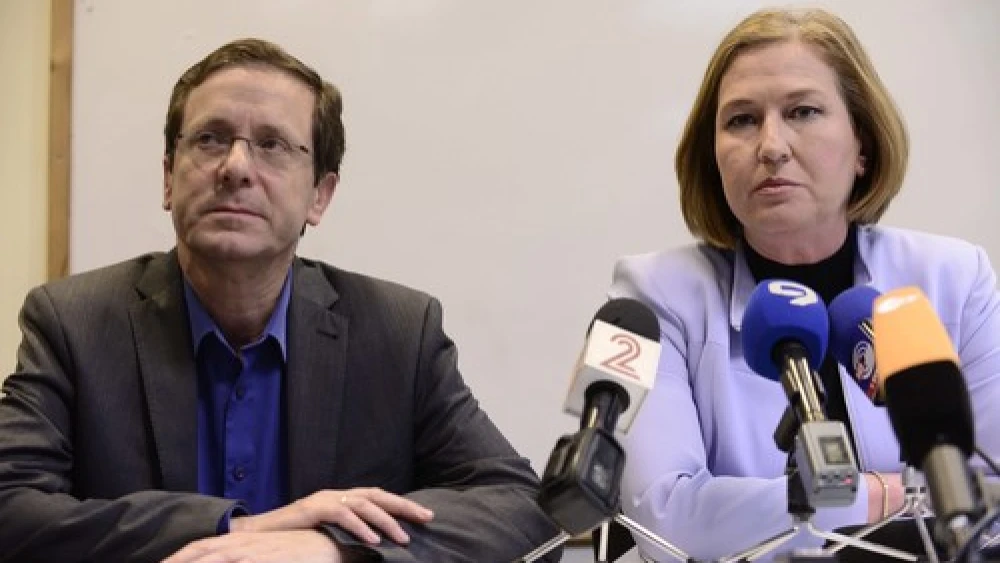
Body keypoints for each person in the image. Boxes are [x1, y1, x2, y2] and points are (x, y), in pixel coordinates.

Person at [0, 38, 560, 562]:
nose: (236, 168)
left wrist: (333, 546)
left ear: (320, 194)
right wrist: (241, 530)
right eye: (210, 138)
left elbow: (521, 506)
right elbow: (11, 508)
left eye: (272, 145)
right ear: (169, 177)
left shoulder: (397, 331)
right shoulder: (74, 322)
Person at [609, 8, 1000, 561]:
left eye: (803, 112)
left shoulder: (953, 281)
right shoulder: (656, 295)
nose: (771, 145)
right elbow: (666, 516)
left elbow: (995, 496)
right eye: (741, 120)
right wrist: (883, 493)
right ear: (713, 157)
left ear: (862, 145)